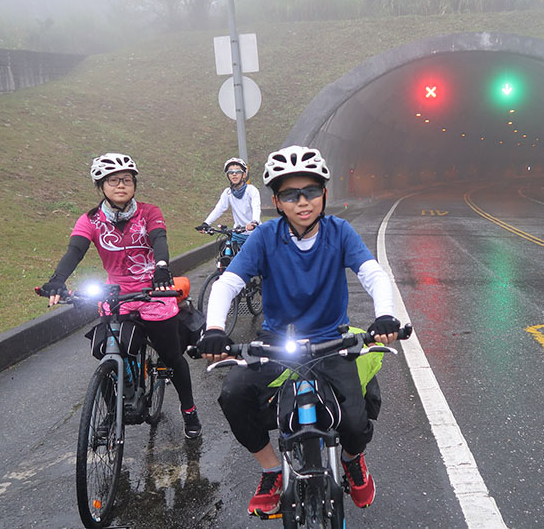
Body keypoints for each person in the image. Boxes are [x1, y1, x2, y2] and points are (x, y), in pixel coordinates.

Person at [196, 145, 402, 515]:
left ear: (324, 193)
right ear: (277, 200)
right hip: (277, 343)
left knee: (355, 421)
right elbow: (228, 282)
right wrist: (214, 329)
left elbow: (372, 274)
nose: (302, 201)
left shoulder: (340, 232)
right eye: (291, 194)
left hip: (331, 341)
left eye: (310, 191)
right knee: (234, 396)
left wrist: (385, 316)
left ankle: (352, 461)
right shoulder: (265, 237)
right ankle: (272, 469)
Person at [39, 152, 202, 439]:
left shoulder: (149, 212)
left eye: (126, 180)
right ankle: (112, 413)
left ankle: (189, 410)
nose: (121, 185)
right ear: (100, 186)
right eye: (113, 181)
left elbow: (158, 239)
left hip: (154, 289)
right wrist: (57, 281)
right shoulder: (90, 219)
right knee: (105, 351)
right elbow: (75, 250)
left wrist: (162, 268)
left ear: (134, 184)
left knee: (172, 356)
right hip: (116, 293)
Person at [195, 157, 261, 247]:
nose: (234, 174)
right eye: (230, 172)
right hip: (238, 233)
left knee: (254, 259)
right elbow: (219, 208)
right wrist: (206, 223)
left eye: (237, 172)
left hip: (254, 233)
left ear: (244, 175)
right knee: (227, 254)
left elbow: (256, 207)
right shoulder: (228, 193)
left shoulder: (251, 190)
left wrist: (254, 222)